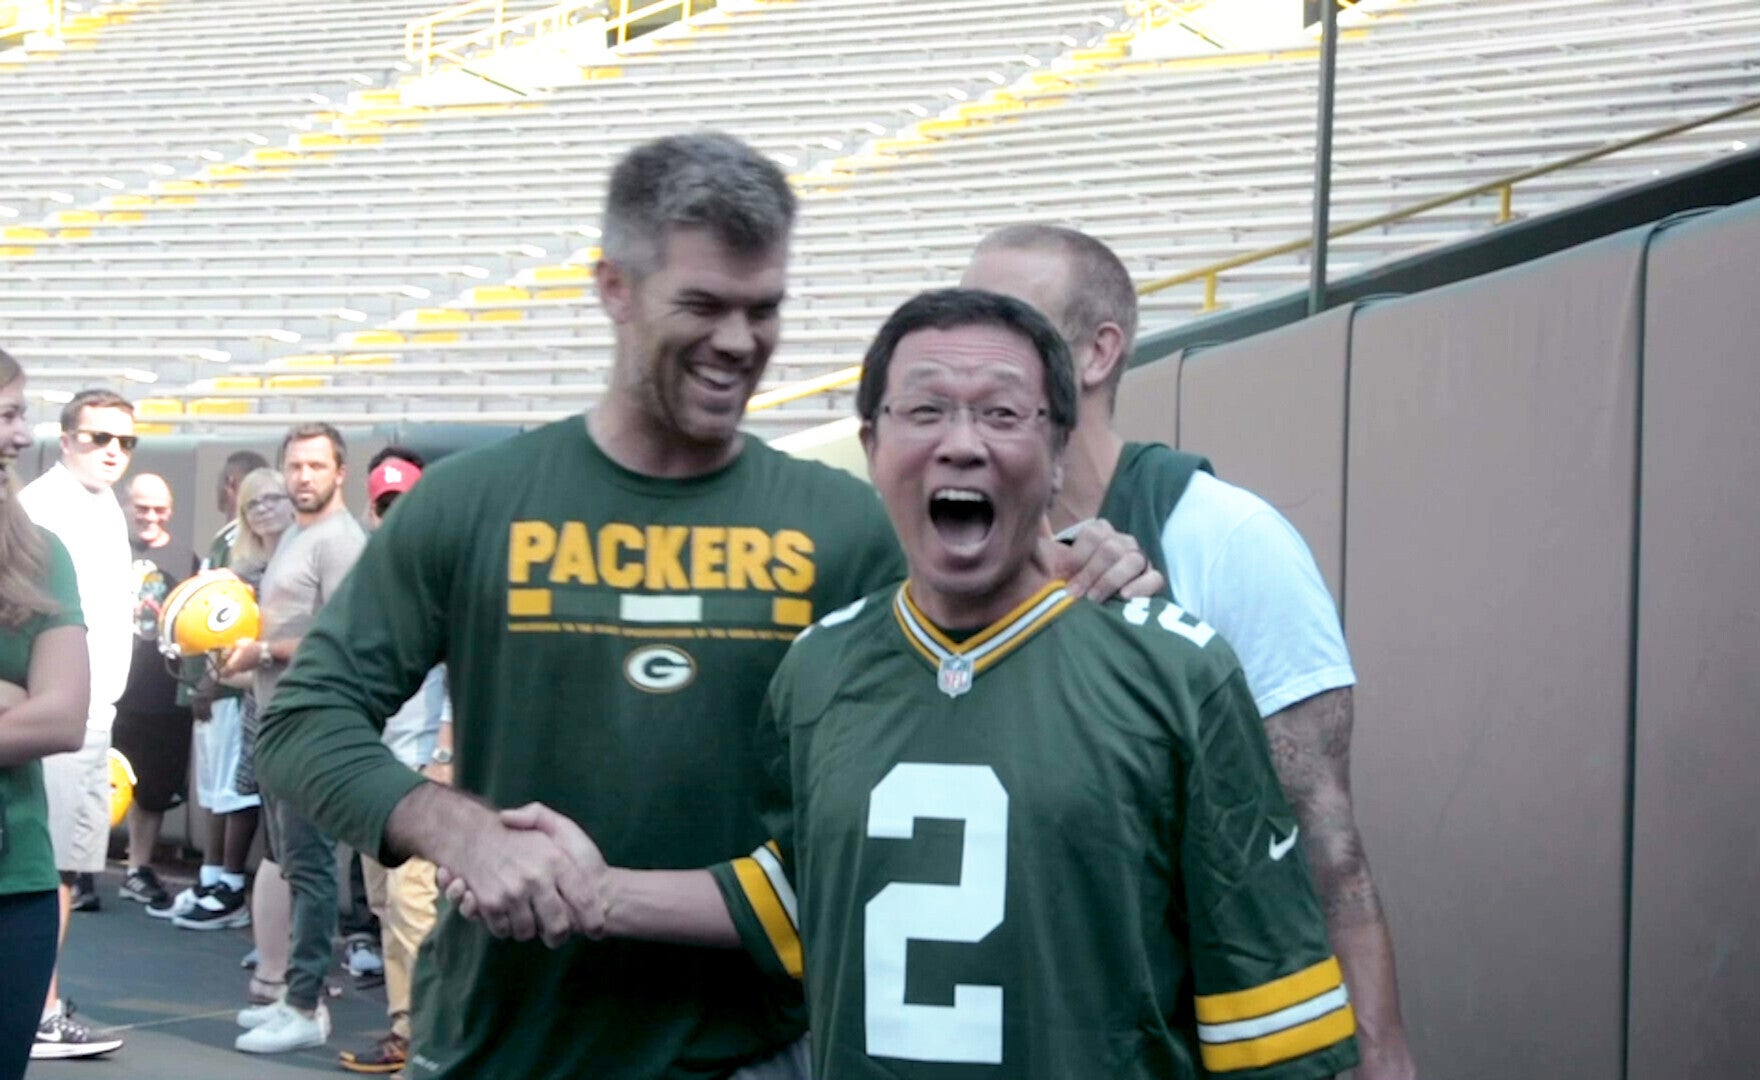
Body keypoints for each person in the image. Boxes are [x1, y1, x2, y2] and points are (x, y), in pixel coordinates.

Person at [256, 132, 1153, 1080]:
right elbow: (304, 724)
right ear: (613, 288)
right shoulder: (473, 503)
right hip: (499, 1044)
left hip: (751, 1051)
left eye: (763, 310)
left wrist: (1094, 564)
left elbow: (997, 659)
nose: (739, 341)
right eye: (703, 305)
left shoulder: (846, 527)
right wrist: (461, 833)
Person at [465, 289, 1361, 1078]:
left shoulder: (1179, 670)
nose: (961, 445)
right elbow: (821, 887)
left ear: (1057, 451)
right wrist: (592, 890)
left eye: (1004, 415)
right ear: (872, 443)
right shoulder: (818, 671)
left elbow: (1268, 1009)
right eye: (924, 411)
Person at [961, 224, 1418, 1079]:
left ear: (1096, 354)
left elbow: (1327, 839)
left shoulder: (1225, 538)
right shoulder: (945, 552)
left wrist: (1379, 1048)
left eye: (1009, 323)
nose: (973, 347)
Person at [221, 424, 367, 1054]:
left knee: (309, 869)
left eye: (315, 465)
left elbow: (344, 637)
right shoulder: (298, 536)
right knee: (289, 861)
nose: (303, 476)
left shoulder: (340, 541)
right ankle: (291, 996)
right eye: (294, 465)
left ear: (340, 471)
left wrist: (264, 650)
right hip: (276, 718)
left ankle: (306, 1003)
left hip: (314, 722)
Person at [17, 387, 133, 1062]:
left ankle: (40, 1003)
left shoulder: (100, 505)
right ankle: (39, 1008)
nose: (112, 451)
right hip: (56, 714)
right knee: (42, 873)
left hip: (95, 716)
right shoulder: (41, 510)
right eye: (98, 437)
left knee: (63, 873)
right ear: (66, 440)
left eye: (124, 441)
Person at [338, 446, 451, 1076]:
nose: (395, 515)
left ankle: (422, 1036)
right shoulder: (369, 577)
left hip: (416, 769)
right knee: (385, 905)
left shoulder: (438, 573)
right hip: (370, 769)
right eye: (385, 505)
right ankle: (410, 1029)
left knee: (413, 908)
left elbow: (461, 671)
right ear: (373, 511)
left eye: (404, 502)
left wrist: (444, 755)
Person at [0, 351, 98, 1078]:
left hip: (13, 887)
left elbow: (62, 718)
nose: (20, 434)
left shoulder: (38, 554)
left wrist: (32, 705)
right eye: (7, 413)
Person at [169, 466, 292, 934]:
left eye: (271, 499)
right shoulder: (237, 568)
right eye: (253, 503)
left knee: (289, 832)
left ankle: (242, 898)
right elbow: (223, 650)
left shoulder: (309, 556)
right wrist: (218, 676)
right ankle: (270, 941)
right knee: (261, 812)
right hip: (252, 702)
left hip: (297, 704)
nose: (264, 510)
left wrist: (264, 653)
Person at [114, 473, 199, 909]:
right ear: (126, 505)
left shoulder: (187, 559)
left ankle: (138, 869)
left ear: (171, 510)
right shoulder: (104, 548)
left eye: (158, 508)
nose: (149, 516)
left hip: (164, 693)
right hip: (110, 689)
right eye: (141, 507)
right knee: (100, 786)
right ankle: (83, 872)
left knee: (153, 789)